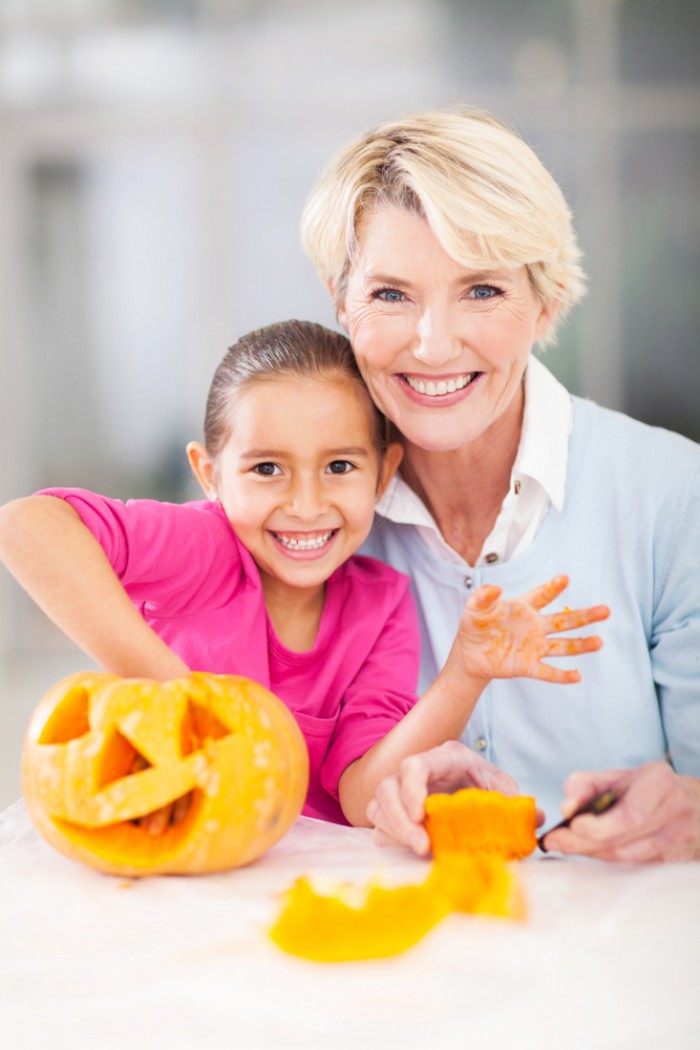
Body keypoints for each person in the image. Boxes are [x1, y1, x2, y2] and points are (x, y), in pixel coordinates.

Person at [0, 319, 606, 829]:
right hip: (173, 867)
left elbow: (364, 799)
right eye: (267, 469)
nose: (306, 505)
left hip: (305, 891)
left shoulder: (381, 607)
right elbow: (25, 525)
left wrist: (464, 674)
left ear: (384, 471)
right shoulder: (202, 547)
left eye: (339, 465)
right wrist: (185, 700)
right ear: (210, 475)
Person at [300, 107, 700, 862]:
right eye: (391, 294)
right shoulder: (298, 514)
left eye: (481, 290)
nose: (434, 343)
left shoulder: (675, 497)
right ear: (339, 300)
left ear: (545, 301)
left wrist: (688, 810)